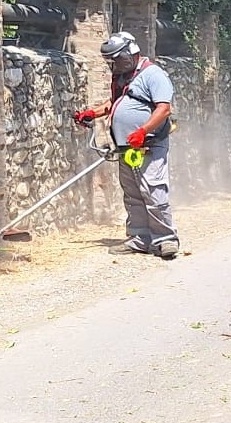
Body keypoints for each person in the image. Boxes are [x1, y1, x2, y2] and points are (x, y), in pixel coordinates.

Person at [73, 31, 180, 259]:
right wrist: (93, 113)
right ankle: (140, 237)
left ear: (131, 53)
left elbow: (164, 109)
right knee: (132, 193)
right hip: (127, 147)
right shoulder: (124, 76)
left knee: (153, 189)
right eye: (109, 61)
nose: (113, 65)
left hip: (149, 144)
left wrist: (142, 131)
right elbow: (116, 103)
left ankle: (166, 239)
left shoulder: (153, 74)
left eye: (116, 59)